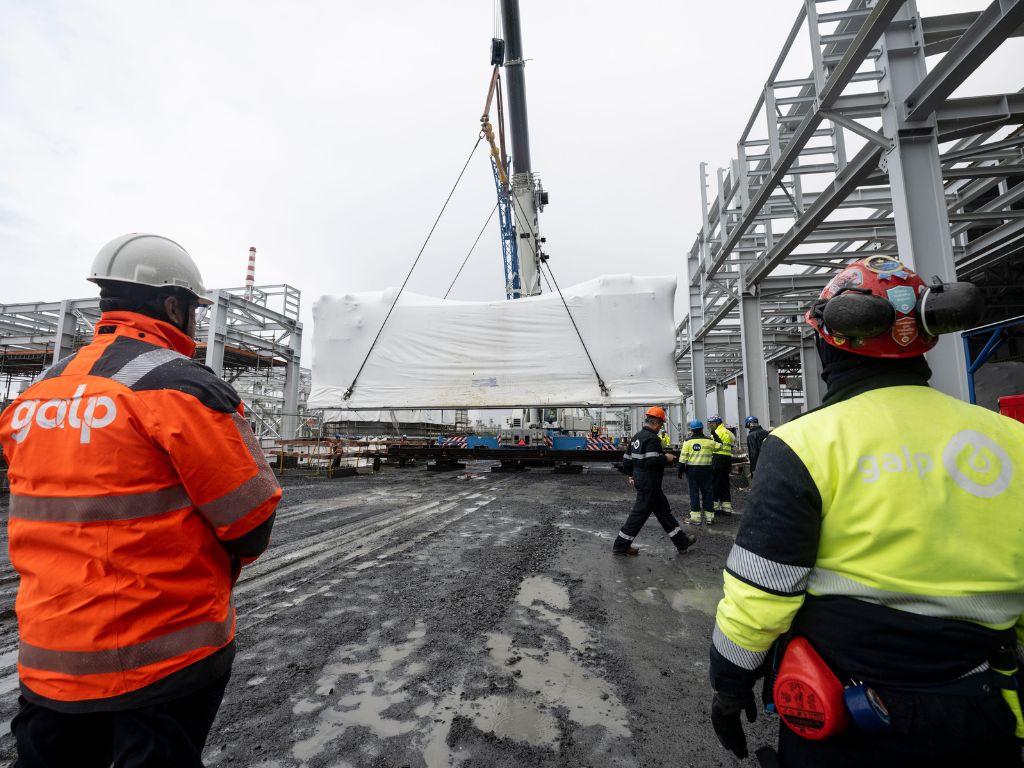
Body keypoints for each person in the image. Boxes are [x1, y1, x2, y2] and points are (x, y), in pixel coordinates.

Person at [708, 255, 1024, 766]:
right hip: (980, 706)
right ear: (927, 336)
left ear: (830, 342)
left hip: (849, 714)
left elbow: (760, 594)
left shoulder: (805, 444)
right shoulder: (1013, 442)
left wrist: (730, 683)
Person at [0, 233, 282, 767]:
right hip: (162, 662)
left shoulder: (36, 393)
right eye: (194, 311)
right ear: (173, 305)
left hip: (50, 659)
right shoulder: (182, 389)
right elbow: (251, 524)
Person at [613, 406, 696, 556]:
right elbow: (651, 460)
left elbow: (626, 460)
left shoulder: (636, 437)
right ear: (656, 422)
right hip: (649, 483)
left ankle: (682, 542)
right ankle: (620, 545)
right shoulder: (652, 438)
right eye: (661, 424)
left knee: (664, 512)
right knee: (638, 515)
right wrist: (666, 458)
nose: (661, 428)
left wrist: (631, 474)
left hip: (645, 482)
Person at [678, 419, 716, 525]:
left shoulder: (688, 442)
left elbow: (682, 459)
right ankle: (709, 518)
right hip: (707, 471)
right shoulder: (709, 441)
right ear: (702, 429)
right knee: (708, 493)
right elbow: (720, 446)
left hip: (692, 471)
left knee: (694, 493)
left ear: (692, 430)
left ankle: (696, 518)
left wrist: (680, 471)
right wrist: (714, 434)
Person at [707, 415, 734, 515]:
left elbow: (710, 446)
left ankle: (715, 507)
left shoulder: (717, 433)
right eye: (709, 423)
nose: (710, 425)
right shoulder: (728, 431)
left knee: (714, 483)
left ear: (717, 423)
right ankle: (727, 508)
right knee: (724, 483)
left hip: (717, 459)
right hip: (727, 460)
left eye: (712, 423)